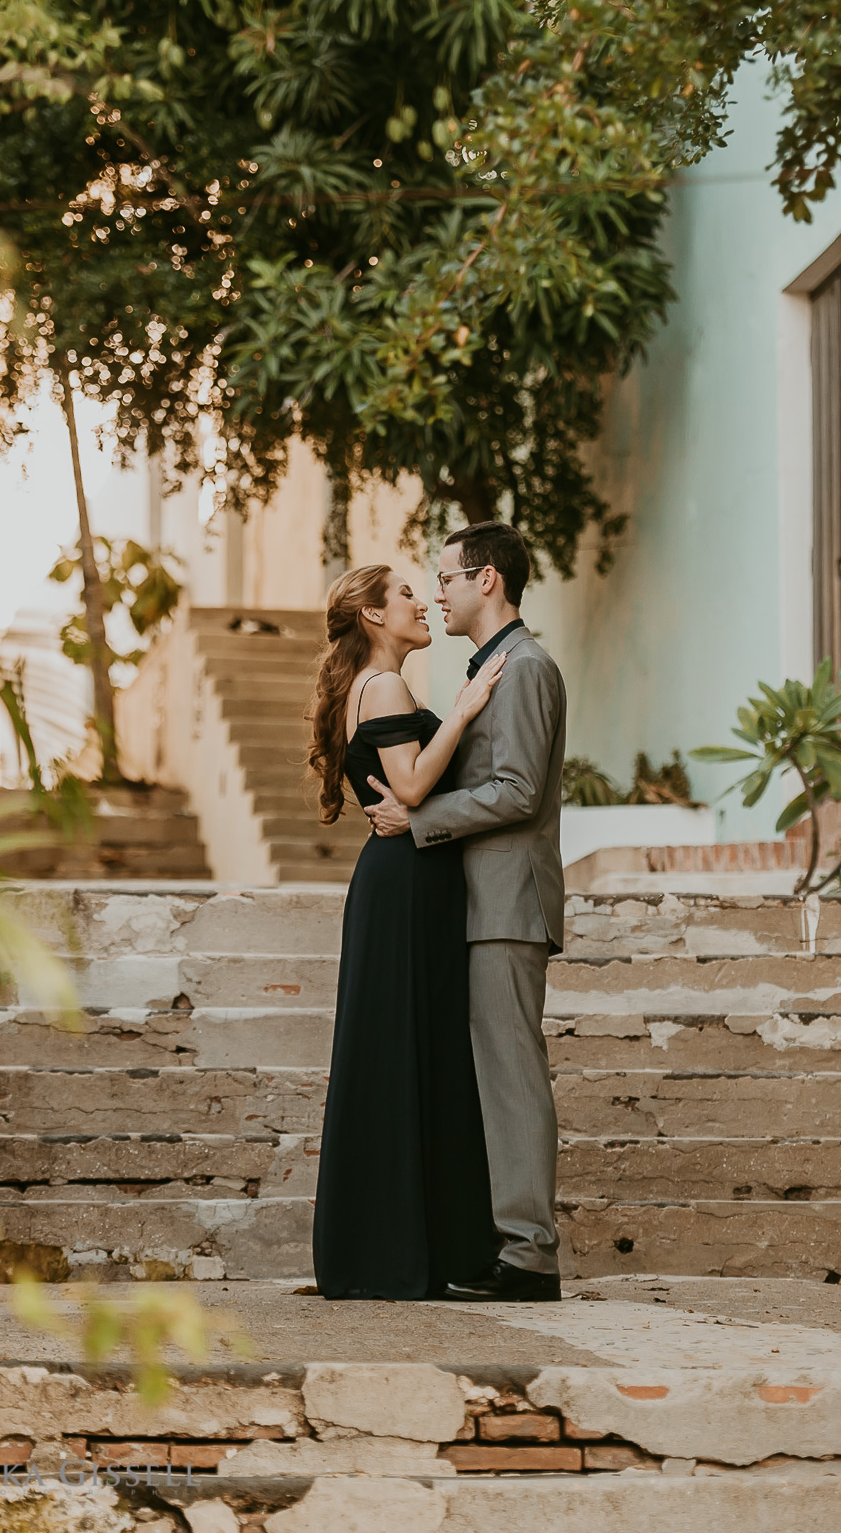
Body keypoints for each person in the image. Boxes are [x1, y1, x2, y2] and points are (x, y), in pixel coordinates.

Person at [364, 522, 567, 1302]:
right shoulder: (494, 669)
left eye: (445, 577)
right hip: (480, 906)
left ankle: (529, 1255)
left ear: (487, 581)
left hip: (508, 907)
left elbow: (517, 789)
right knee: (488, 1078)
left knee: (512, 1077)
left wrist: (419, 820)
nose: (436, 591)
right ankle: (497, 1241)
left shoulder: (525, 669)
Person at [308, 562, 505, 1299]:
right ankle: (403, 1251)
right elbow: (414, 787)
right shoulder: (384, 687)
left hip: (407, 880)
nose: (422, 603)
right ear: (370, 616)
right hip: (404, 886)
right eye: (405, 596)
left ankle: (402, 1244)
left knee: (405, 1051)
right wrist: (465, 707)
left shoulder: (374, 687)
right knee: (407, 1051)